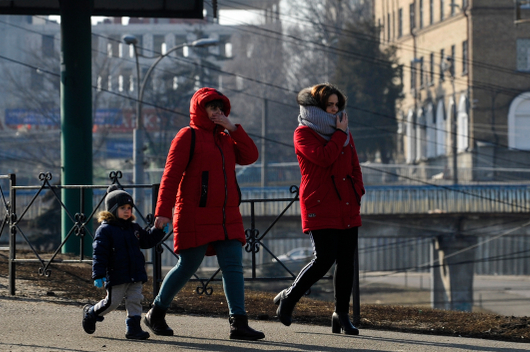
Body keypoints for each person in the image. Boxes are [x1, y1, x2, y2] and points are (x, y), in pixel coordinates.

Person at [143, 87, 265, 341]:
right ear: (200, 109)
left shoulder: (226, 136)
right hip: (194, 213)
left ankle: (238, 323)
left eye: (220, 108)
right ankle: (156, 311)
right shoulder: (187, 136)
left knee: (233, 266)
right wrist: (163, 212)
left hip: (227, 214)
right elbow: (171, 176)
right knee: (188, 265)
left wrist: (233, 128)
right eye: (212, 107)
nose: (217, 112)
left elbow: (251, 156)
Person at [274, 83, 364, 335]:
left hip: (347, 203)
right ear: (317, 107)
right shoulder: (303, 133)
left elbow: (354, 164)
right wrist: (339, 133)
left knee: (346, 261)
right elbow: (324, 158)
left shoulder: (344, 131)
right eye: (330, 105)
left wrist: (358, 190)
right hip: (320, 203)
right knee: (324, 258)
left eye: (338, 105)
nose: (335, 109)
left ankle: (341, 314)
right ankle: (289, 299)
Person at [83, 185, 166, 340]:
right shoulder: (105, 230)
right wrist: (99, 274)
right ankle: (91, 312)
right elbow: (99, 254)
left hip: (135, 272)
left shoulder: (133, 227)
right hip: (117, 274)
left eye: (129, 207)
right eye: (123, 208)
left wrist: (158, 230)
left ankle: (133, 329)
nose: (127, 211)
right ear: (113, 209)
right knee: (111, 303)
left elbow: (146, 241)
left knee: (135, 300)